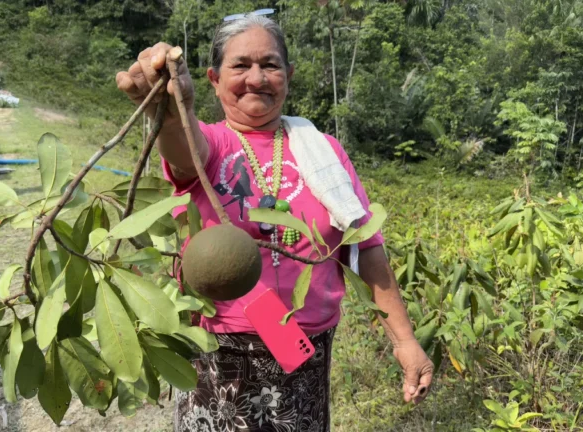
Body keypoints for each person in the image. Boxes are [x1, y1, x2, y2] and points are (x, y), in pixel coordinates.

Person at [117, 15, 433, 431]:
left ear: (289, 75)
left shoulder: (323, 151)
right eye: (240, 65)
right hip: (220, 355)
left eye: (270, 65)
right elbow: (183, 147)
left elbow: (365, 247)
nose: (256, 78)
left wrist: (405, 341)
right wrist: (175, 107)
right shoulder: (213, 144)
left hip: (305, 355)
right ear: (213, 78)